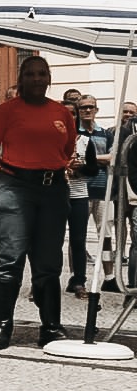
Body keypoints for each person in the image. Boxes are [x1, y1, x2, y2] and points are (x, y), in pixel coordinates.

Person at [0, 55, 73, 350]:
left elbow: (67, 148)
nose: (37, 79)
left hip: (52, 189)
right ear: (21, 78)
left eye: (42, 74)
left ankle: (51, 327)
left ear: (50, 78)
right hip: (15, 187)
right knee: (9, 259)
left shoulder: (61, 113)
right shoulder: (6, 111)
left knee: (49, 262)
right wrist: (0, 175)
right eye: (30, 74)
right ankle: (2, 328)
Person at [75, 95, 119, 291]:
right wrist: (95, 160)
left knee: (106, 235)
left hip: (103, 189)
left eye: (90, 107)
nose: (86, 110)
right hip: (80, 190)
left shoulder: (105, 133)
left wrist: (88, 159)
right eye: (83, 107)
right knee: (78, 236)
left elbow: (112, 157)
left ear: (96, 109)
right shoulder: (75, 133)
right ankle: (78, 280)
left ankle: (109, 277)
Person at [62, 101, 100, 298]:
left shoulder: (85, 141)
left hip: (78, 195)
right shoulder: (50, 139)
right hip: (56, 195)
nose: (70, 118)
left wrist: (79, 168)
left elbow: (94, 169)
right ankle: (45, 281)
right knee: (51, 240)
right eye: (65, 114)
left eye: (73, 114)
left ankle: (78, 281)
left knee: (78, 240)